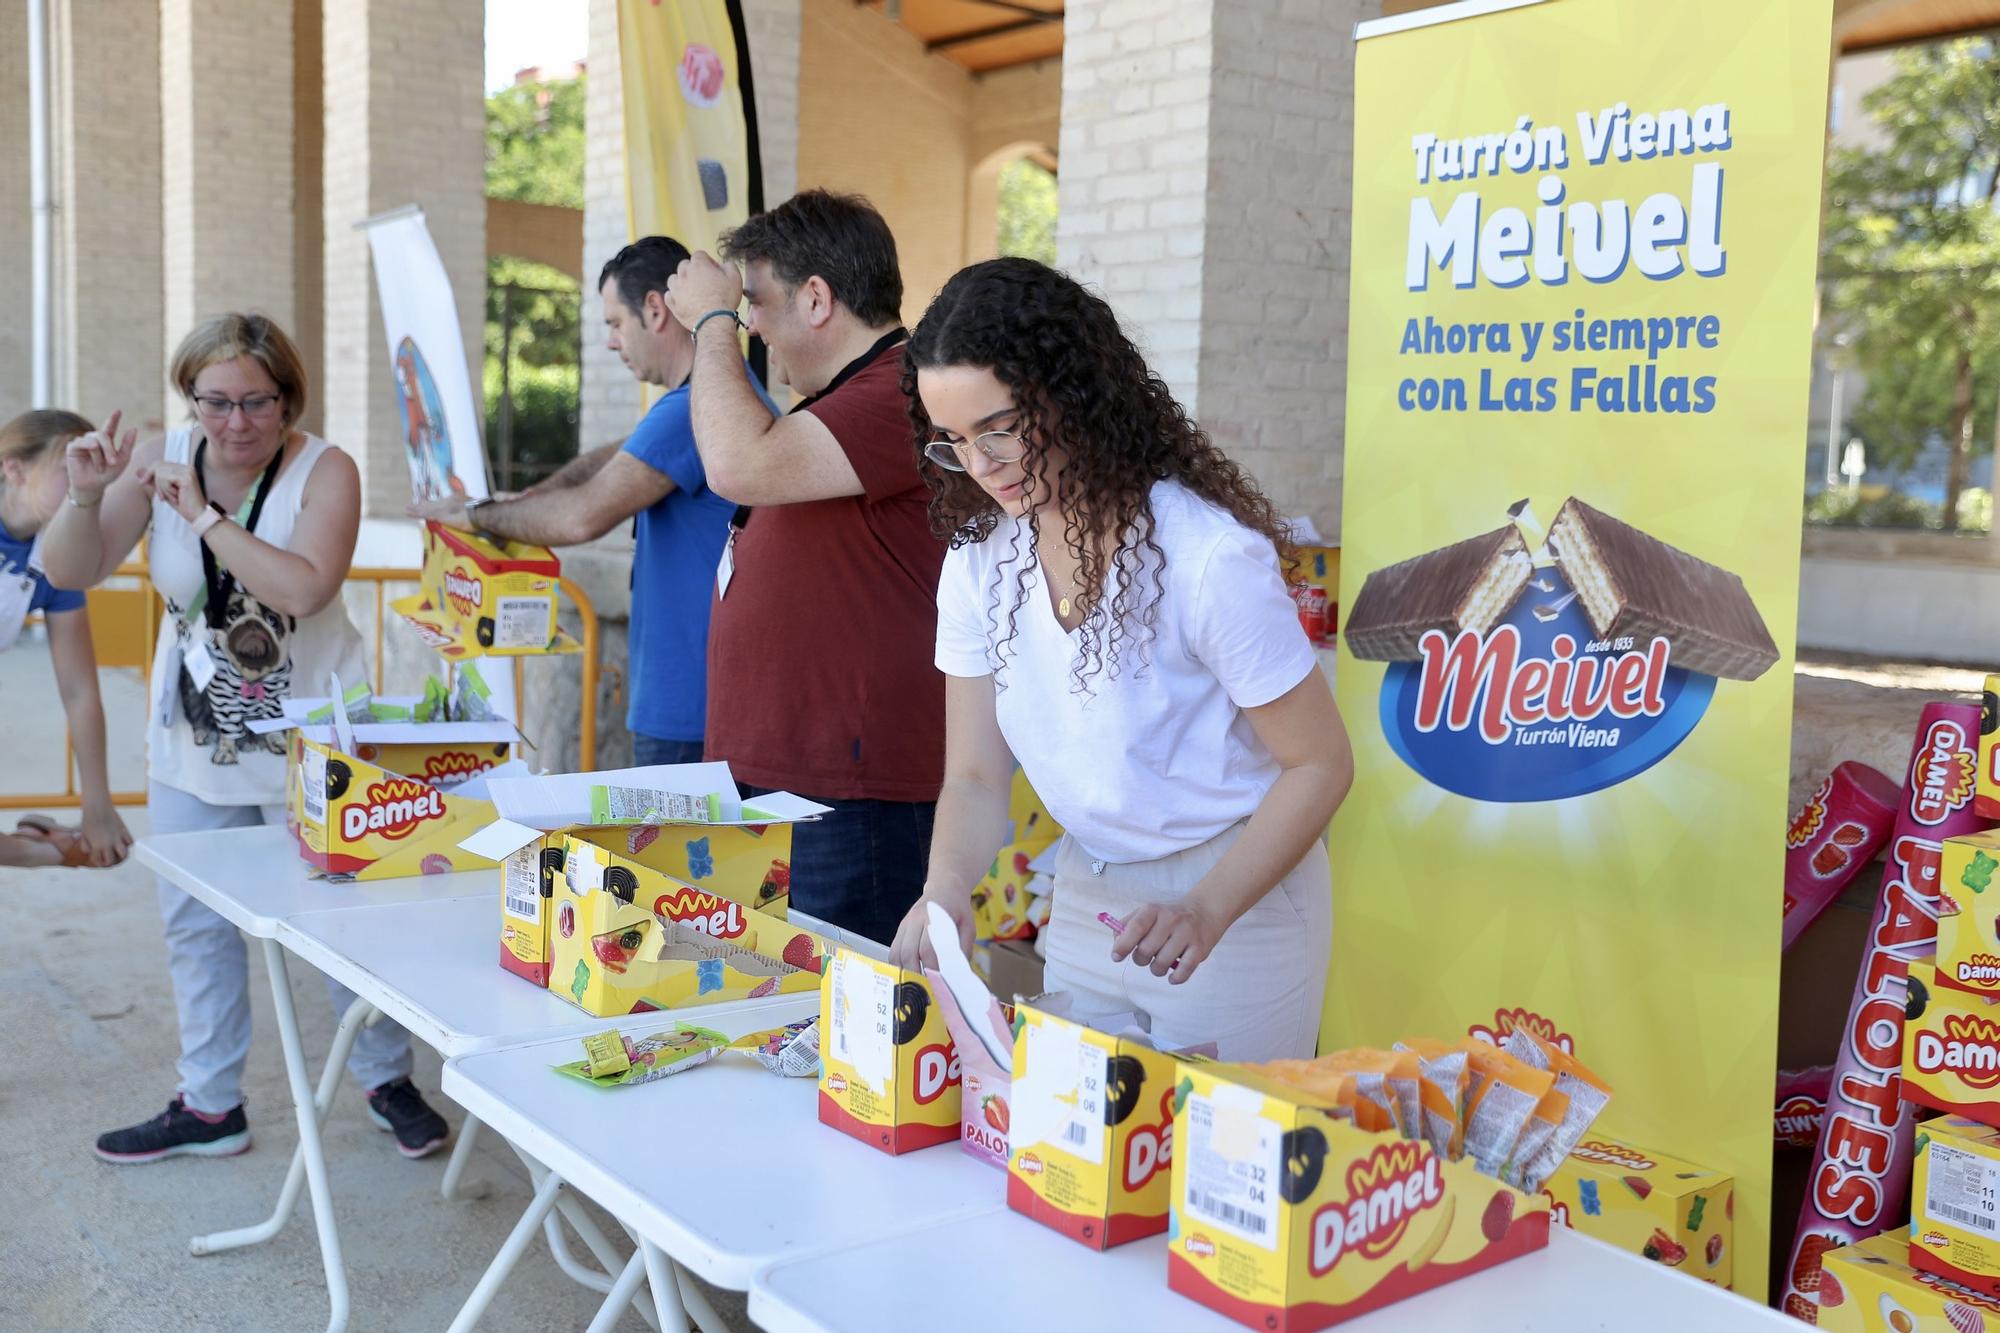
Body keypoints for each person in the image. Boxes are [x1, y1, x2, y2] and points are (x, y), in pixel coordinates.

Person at [888, 259, 1354, 1062]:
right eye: (955, 443)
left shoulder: (1205, 556)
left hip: (1237, 896)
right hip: (1089, 889)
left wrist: (1208, 908)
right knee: (1074, 1165)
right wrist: (943, 889)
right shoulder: (978, 563)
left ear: (1070, 395)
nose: (983, 463)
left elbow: (1321, 764)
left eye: (998, 428)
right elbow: (973, 777)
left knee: (1215, 1170)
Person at [40, 313, 452, 1163]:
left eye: (256, 403)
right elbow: (69, 570)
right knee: (195, 924)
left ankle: (385, 1078)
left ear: (287, 397)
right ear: (189, 397)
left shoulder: (324, 468)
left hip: (316, 753)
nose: (234, 424)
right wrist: (84, 496)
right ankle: (209, 1103)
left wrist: (204, 521)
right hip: (195, 745)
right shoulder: (159, 458)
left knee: (347, 925)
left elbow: (303, 589)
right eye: (214, 402)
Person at [663, 190, 945, 946]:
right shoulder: (845, 398)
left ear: (817, 298)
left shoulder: (899, 390)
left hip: (850, 799)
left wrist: (709, 322)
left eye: (755, 302)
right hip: (794, 785)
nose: (749, 323)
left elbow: (735, 462)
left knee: (837, 1033)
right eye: (740, 309)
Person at [410, 236, 765, 765]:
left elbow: (581, 518)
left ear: (655, 309)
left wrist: (476, 516)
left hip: (692, 709)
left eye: (615, 325)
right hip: (698, 700)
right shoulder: (710, 401)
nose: (611, 344)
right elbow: (615, 456)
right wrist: (527, 497)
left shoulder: (692, 407)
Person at [0, 410, 133, 868]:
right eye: (69, 468)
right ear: (13, 469)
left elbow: (79, 690)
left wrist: (97, 805)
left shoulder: (57, 559)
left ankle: (43, 847)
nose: (85, 480)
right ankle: (42, 850)